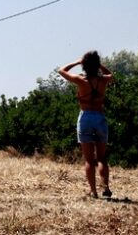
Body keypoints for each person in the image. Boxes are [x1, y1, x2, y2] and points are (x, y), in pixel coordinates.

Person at [57, 51, 113, 198]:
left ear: (85, 66)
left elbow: (61, 71)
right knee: (101, 158)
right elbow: (112, 75)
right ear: (96, 65)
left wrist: (76, 62)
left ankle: (93, 191)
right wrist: (100, 65)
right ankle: (106, 188)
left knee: (89, 159)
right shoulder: (103, 80)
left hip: (85, 118)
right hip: (100, 117)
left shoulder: (80, 81)